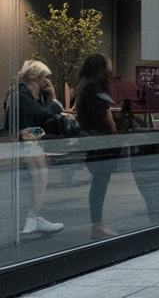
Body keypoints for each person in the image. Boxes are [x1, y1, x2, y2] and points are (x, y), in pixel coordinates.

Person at [8, 60, 66, 235]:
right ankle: (32, 219)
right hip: (25, 146)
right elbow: (46, 116)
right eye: (45, 77)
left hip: (29, 144)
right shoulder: (24, 96)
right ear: (35, 77)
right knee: (39, 179)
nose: (48, 82)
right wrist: (52, 98)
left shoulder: (29, 95)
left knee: (40, 180)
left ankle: (34, 218)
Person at [75, 53, 120, 239]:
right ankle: (97, 225)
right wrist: (115, 135)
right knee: (100, 183)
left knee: (99, 183)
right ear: (100, 68)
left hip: (92, 141)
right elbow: (105, 116)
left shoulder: (83, 85)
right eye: (107, 66)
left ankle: (97, 223)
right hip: (101, 142)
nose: (110, 70)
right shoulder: (94, 87)